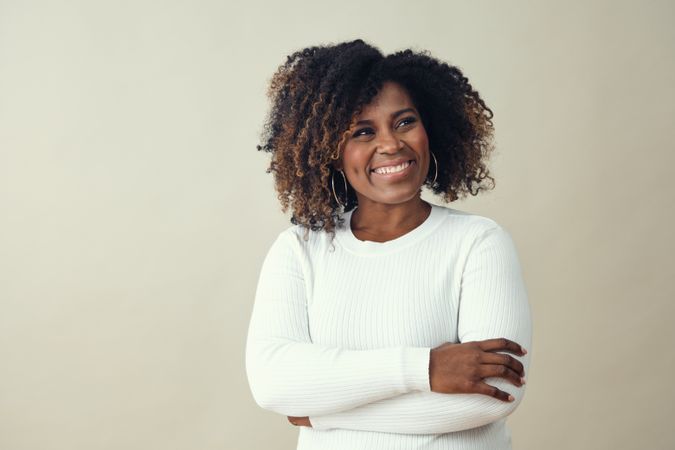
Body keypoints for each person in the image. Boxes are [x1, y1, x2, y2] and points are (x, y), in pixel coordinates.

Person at [245, 39, 532, 450]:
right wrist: (424, 368)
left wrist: (322, 414)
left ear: (430, 127)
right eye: (363, 131)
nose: (391, 144)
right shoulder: (298, 250)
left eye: (404, 122)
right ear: (331, 151)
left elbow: (490, 396)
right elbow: (273, 383)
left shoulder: (479, 243)